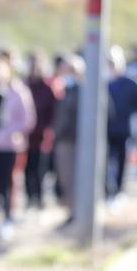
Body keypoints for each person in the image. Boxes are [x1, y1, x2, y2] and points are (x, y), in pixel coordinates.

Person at [0, 65, 34, 233]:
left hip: (10, 146)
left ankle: (8, 216)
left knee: (9, 183)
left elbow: (27, 120)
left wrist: (8, 132)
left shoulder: (18, 92)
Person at [105, 47, 137, 198]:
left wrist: (135, 120)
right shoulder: (104, 82)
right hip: (107, 129)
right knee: (106, 160)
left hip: (125, 128)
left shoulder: (132, 81)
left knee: (122, 159)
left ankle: (118, 189)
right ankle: (108, 189)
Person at [23, 54, 59, 209]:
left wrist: (48, 129)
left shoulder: (46, 88)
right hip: (26, 137)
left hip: (42, 137)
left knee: (39, 170)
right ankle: (30, 198)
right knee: (27, 169)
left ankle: (39, 198)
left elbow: (53, 111)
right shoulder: (25, 86)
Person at [51, 55, 83, 209]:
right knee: (65, 179)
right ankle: (71, 211)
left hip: (75, 142)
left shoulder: (83, 92)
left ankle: (76, 212)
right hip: (63, 140)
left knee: (75, 179)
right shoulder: (64, 91)